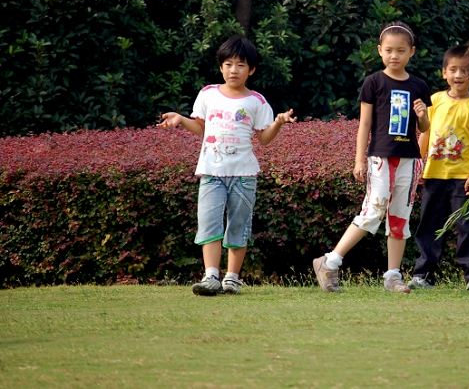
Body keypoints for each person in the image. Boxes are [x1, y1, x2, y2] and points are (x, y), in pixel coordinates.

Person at [158, 35, 295, 296]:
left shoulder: (257, 101)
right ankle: (211, 276)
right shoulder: (208, 94)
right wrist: (179, 118)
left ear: (251, 70)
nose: (234, 70)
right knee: (209, 223)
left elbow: (264, 139)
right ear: (221, 67)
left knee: (238, 225)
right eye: (229, 64)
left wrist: (278, 122)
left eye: (241, 65)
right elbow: (200, 127)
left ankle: (231, 278)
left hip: (244, 174)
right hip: (211, 172)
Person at [313, 21, 431, 294]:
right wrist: (359, 160)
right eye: (389, 50)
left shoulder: (419, 86)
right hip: (379, 157)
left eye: (400, 51)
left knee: (400, 217)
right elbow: (364, 124)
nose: (394, 55)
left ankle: (393, 276)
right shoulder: (373, 82)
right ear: (379, 51)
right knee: (373, 211)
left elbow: (424, 128)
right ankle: (330, 261)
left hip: (409, 160)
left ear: (411, 52)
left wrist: (423, 116)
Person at [408, 44, 469, 291]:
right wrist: (417, 167)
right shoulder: (435, 101)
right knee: (429, 227)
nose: (458, 75)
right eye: (453, 70)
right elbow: (425, 134)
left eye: (464, 71)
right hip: (434, 175)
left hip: (464, 177)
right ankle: (423, 275)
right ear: (444, 73)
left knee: (468, 227)